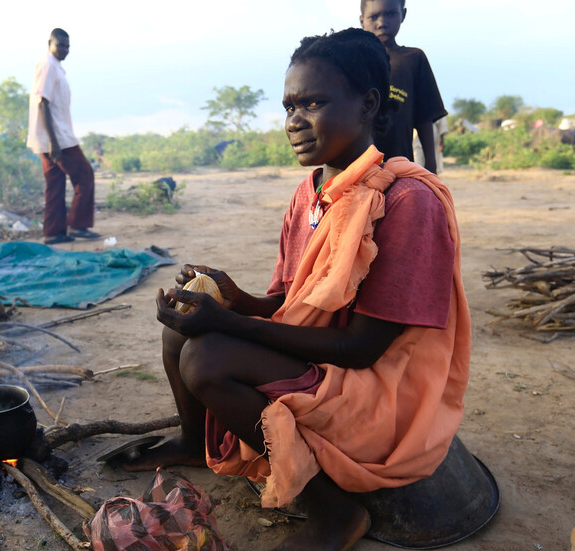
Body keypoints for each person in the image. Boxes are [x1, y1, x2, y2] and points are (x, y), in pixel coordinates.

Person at [117, 29, 470, 551]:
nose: (294, 121)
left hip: (379, 389)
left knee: (206, 359)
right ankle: (194, 441)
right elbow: (293, 302)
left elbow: (363, 348)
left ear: (368, 104)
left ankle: (335, 513)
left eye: (313, 103)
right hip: (329, 360)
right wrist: (237, 300)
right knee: (181, 332)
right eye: (289, 107)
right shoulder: (311, 192)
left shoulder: (407, 202)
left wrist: (228, 323)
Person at [27, 28, 99, 245]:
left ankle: (53, 232)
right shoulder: (48, 65)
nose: (65, 50)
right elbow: (42, 102)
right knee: (85, 176)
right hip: (57, 138)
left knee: (55, 184)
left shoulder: (55, 67)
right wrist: (54, 142)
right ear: (49, 44)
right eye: (60, 45)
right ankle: (77, 225)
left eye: (67, 46)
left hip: (50, 138)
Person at [361, 0, 447, 174]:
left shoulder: (414, 59)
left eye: (391, 14)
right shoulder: (353, 61)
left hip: (401, 166)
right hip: (359, 167)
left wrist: (431, 166)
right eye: (374, 16)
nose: (382, 23)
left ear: (403, 14)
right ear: (362, 20)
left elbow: (424, 118)